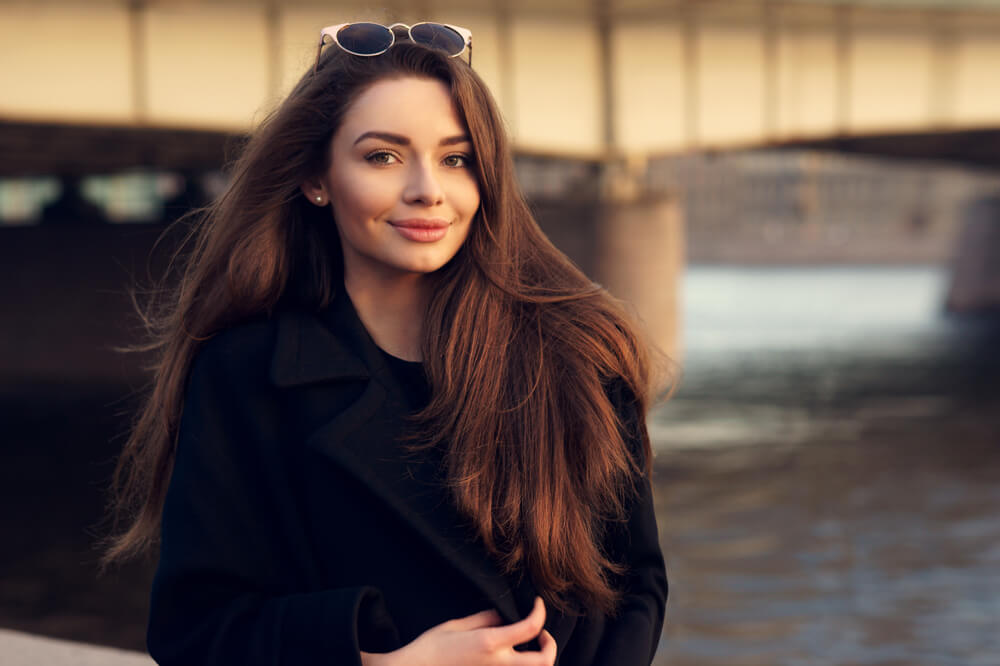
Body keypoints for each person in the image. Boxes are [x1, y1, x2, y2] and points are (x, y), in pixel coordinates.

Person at [103, 21, 672, 666]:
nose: (427, 188)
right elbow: (195, 630)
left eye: (456, 159)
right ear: (317, 178)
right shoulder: (247, 372)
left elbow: (635, 588)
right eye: (383, 156)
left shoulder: (578, 352)